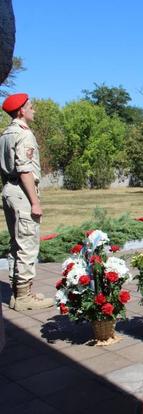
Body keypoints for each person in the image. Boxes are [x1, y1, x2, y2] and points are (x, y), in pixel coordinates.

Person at [0, 93, 54, 310]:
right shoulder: (24, 134)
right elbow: (25, 170)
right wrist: (35, 202)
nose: (34, 110)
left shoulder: (5, 134)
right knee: (27, 244)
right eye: (30, 107)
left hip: (9, 189)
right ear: (21, 110)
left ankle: (19, 292)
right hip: (22, 192)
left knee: (17, 243)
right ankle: (24, 298)